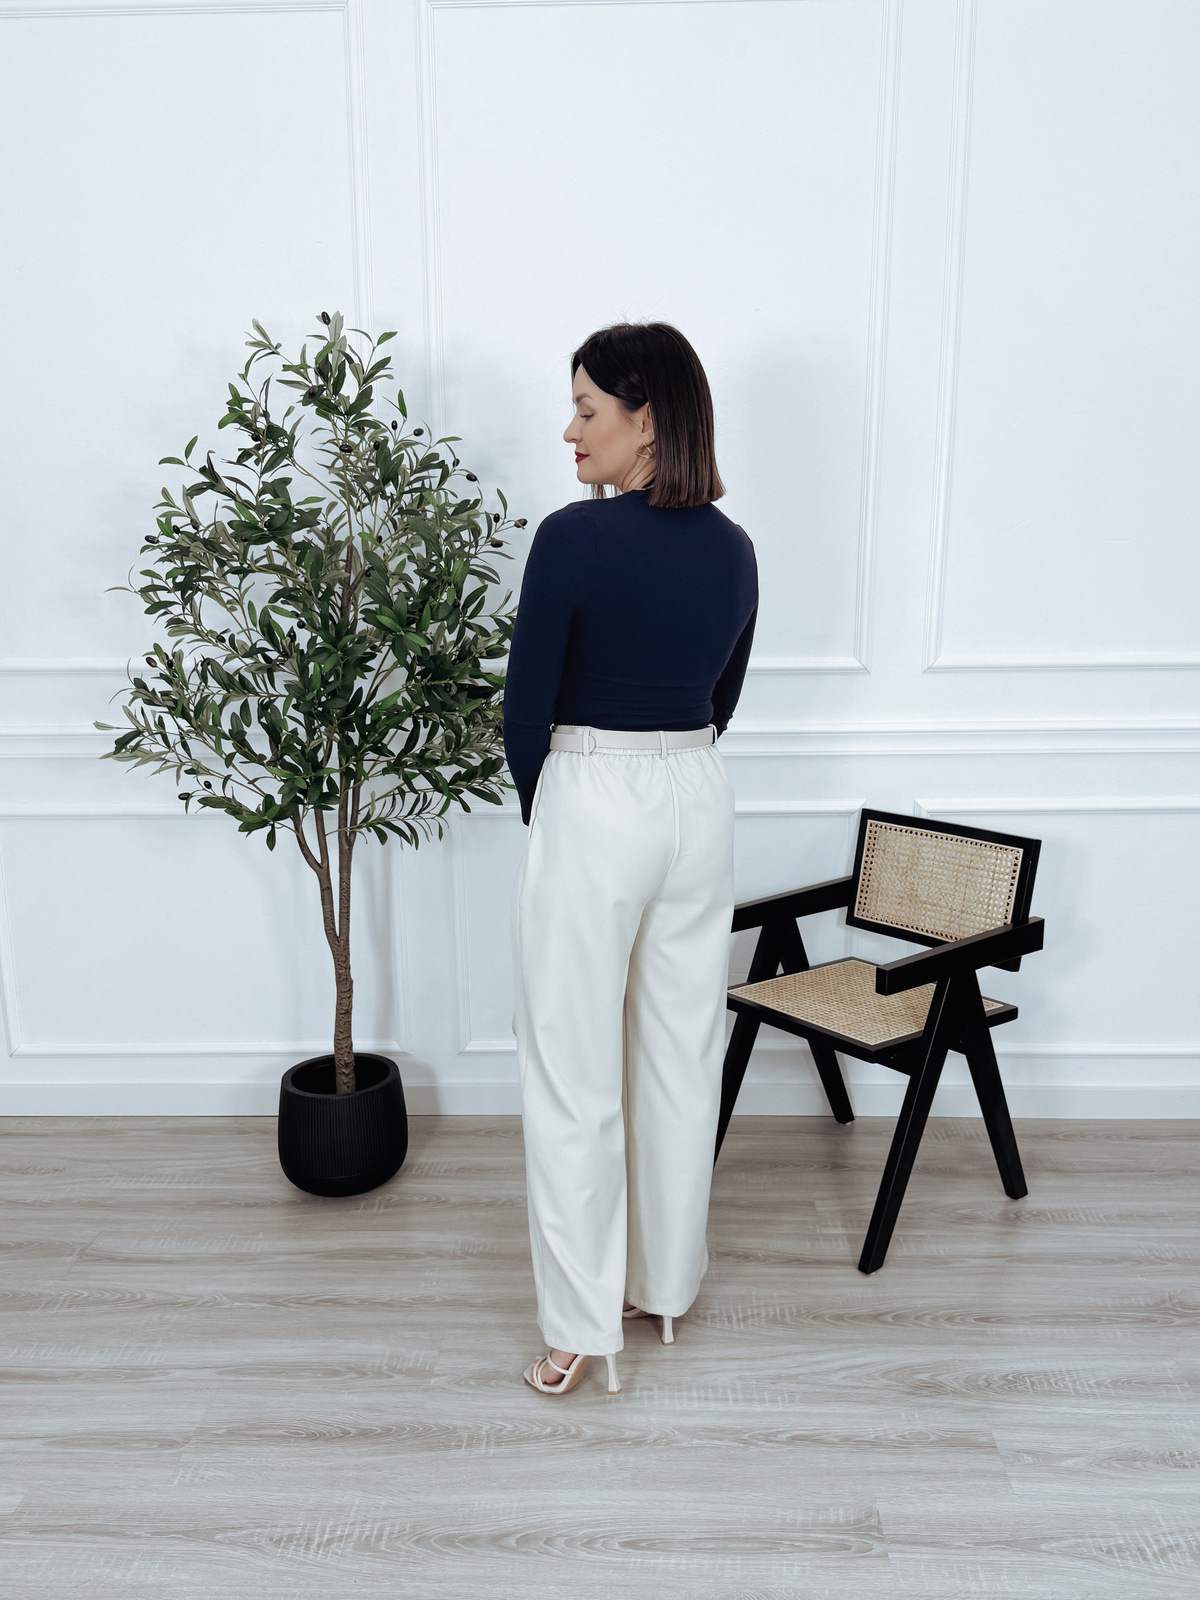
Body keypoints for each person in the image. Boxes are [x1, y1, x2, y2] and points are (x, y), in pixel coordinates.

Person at [503, 321, 758, 1396]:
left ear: (645, 419)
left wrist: (552, 806)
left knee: (573, 1070)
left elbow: (526, 704)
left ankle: (578, 1327)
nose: (570, 432)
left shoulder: (573, 538)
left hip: (595, 792)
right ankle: (662, 1289)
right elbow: (721, 697)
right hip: (698, 794)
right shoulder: (735, 548)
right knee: (678, 1054)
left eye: (586, 409)